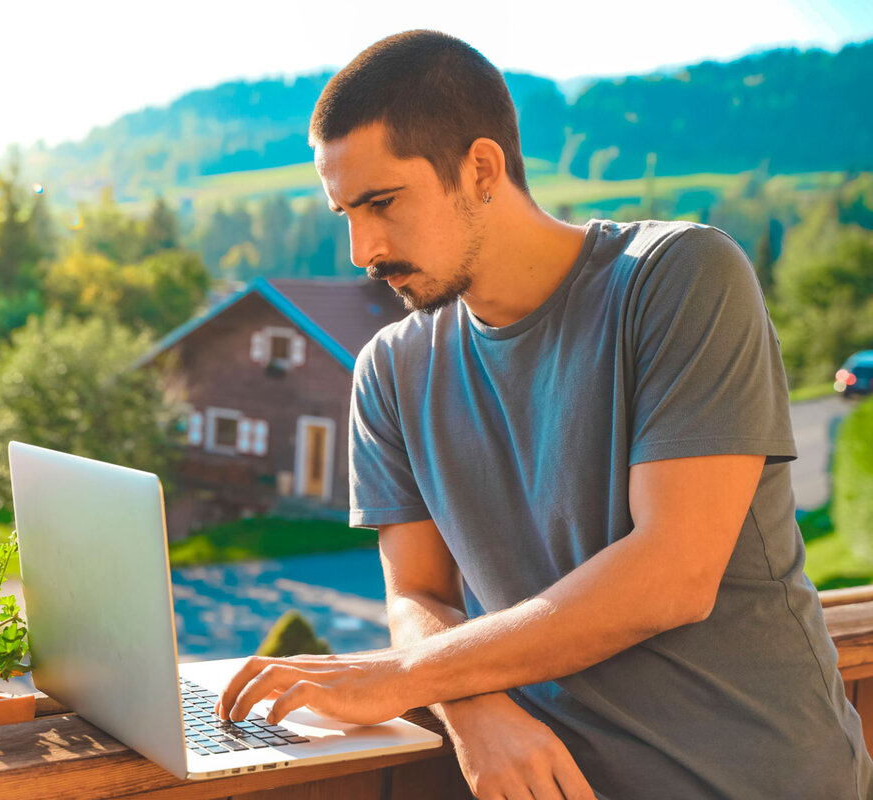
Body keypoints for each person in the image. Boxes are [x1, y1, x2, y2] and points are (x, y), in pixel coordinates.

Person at [216, 29, 873, 799]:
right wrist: (468, 705)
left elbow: (674, 574)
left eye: (382, 203)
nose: (362, 247)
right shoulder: (388, 371)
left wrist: (403, 679)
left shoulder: (679, 278)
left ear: (482, 169)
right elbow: (416, 596)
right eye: (344, 214)